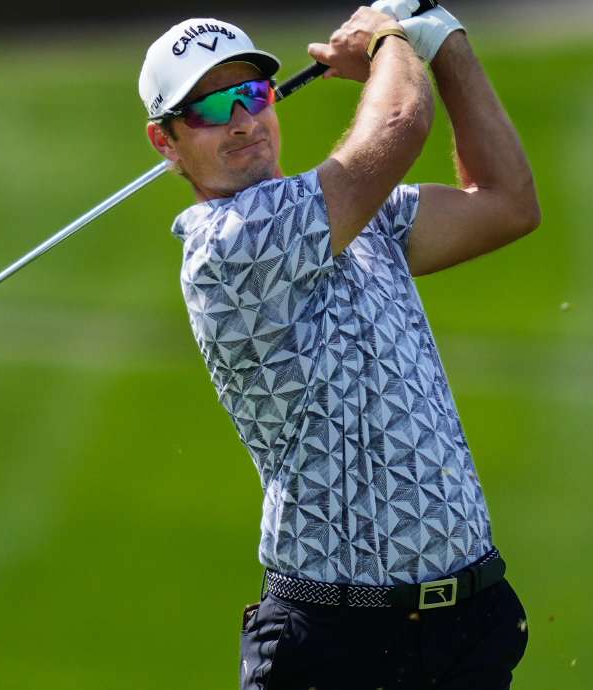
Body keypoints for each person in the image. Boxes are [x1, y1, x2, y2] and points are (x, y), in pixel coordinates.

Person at [139, 3, 540, 688]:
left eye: (252, 94)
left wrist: (444, 41)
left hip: (467, 628)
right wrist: (387, 38)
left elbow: (507, 202)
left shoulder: (359, 220)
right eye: (207, 110)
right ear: (165, 141)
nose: (242, 121)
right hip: (337, 643)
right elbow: (399, 124)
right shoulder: (229, 245)